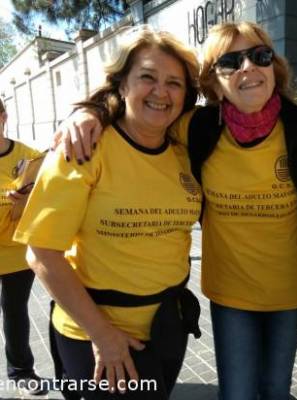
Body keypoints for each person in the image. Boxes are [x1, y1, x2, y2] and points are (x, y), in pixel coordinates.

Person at [50, 22, 297, 400]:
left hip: (291, 293)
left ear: (273, 68)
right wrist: (89, 111)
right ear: (214, 82)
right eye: (230, 61)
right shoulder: (195, 127)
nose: (248, 68)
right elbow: (142, 108)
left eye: (260, 56)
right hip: (230, 295)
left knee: (276, 391)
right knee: (238, 393)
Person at [13, 26, 202, 399]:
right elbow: (42, 252)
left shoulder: (182, 152)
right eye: (147, 77)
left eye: (174, 83)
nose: (161, 92)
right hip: (100, 335)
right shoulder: (83, 149)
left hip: (167, 325)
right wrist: (104, 336)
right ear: (122, 84)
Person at [0, 98, 48, 396]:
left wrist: (28, 198)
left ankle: (21, 372)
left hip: (16, 249)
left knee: (15, 311)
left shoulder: (29, 156)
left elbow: (47, 196)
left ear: (4, 116)